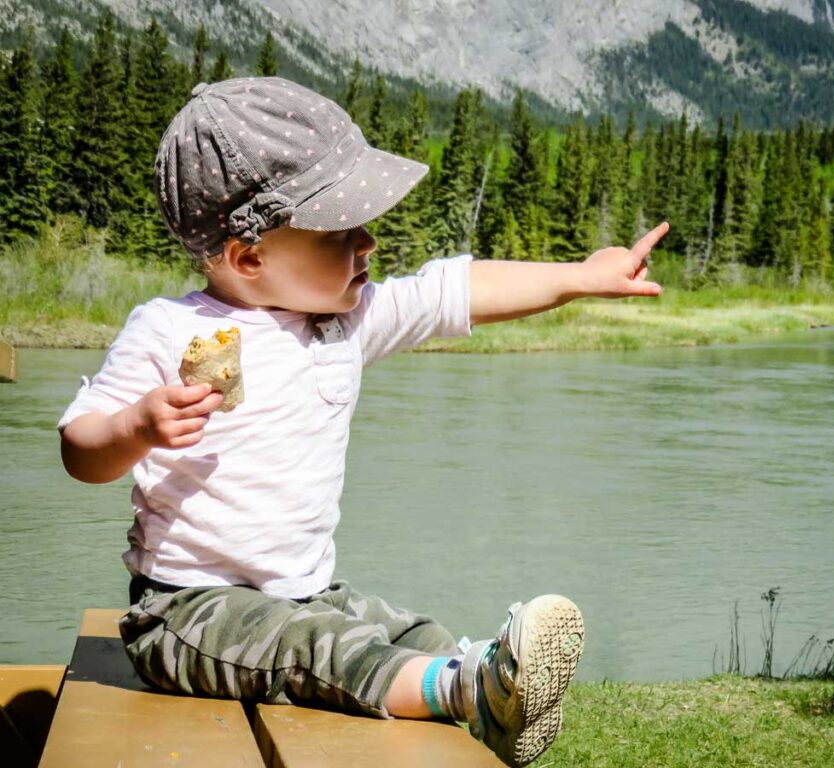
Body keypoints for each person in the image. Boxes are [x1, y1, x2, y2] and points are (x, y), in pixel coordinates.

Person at [58, 76, 665, 767]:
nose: (368, 242)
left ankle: (485, 684)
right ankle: (473, 688)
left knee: (408, 630)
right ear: (248, 256)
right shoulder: (170, 331)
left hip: (307, 594)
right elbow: (81, 448)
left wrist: (579, 275)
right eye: (341, 231)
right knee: (322, 652)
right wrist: (137, 426)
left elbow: (454, 291)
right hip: (187, 613)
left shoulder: (345, 322)